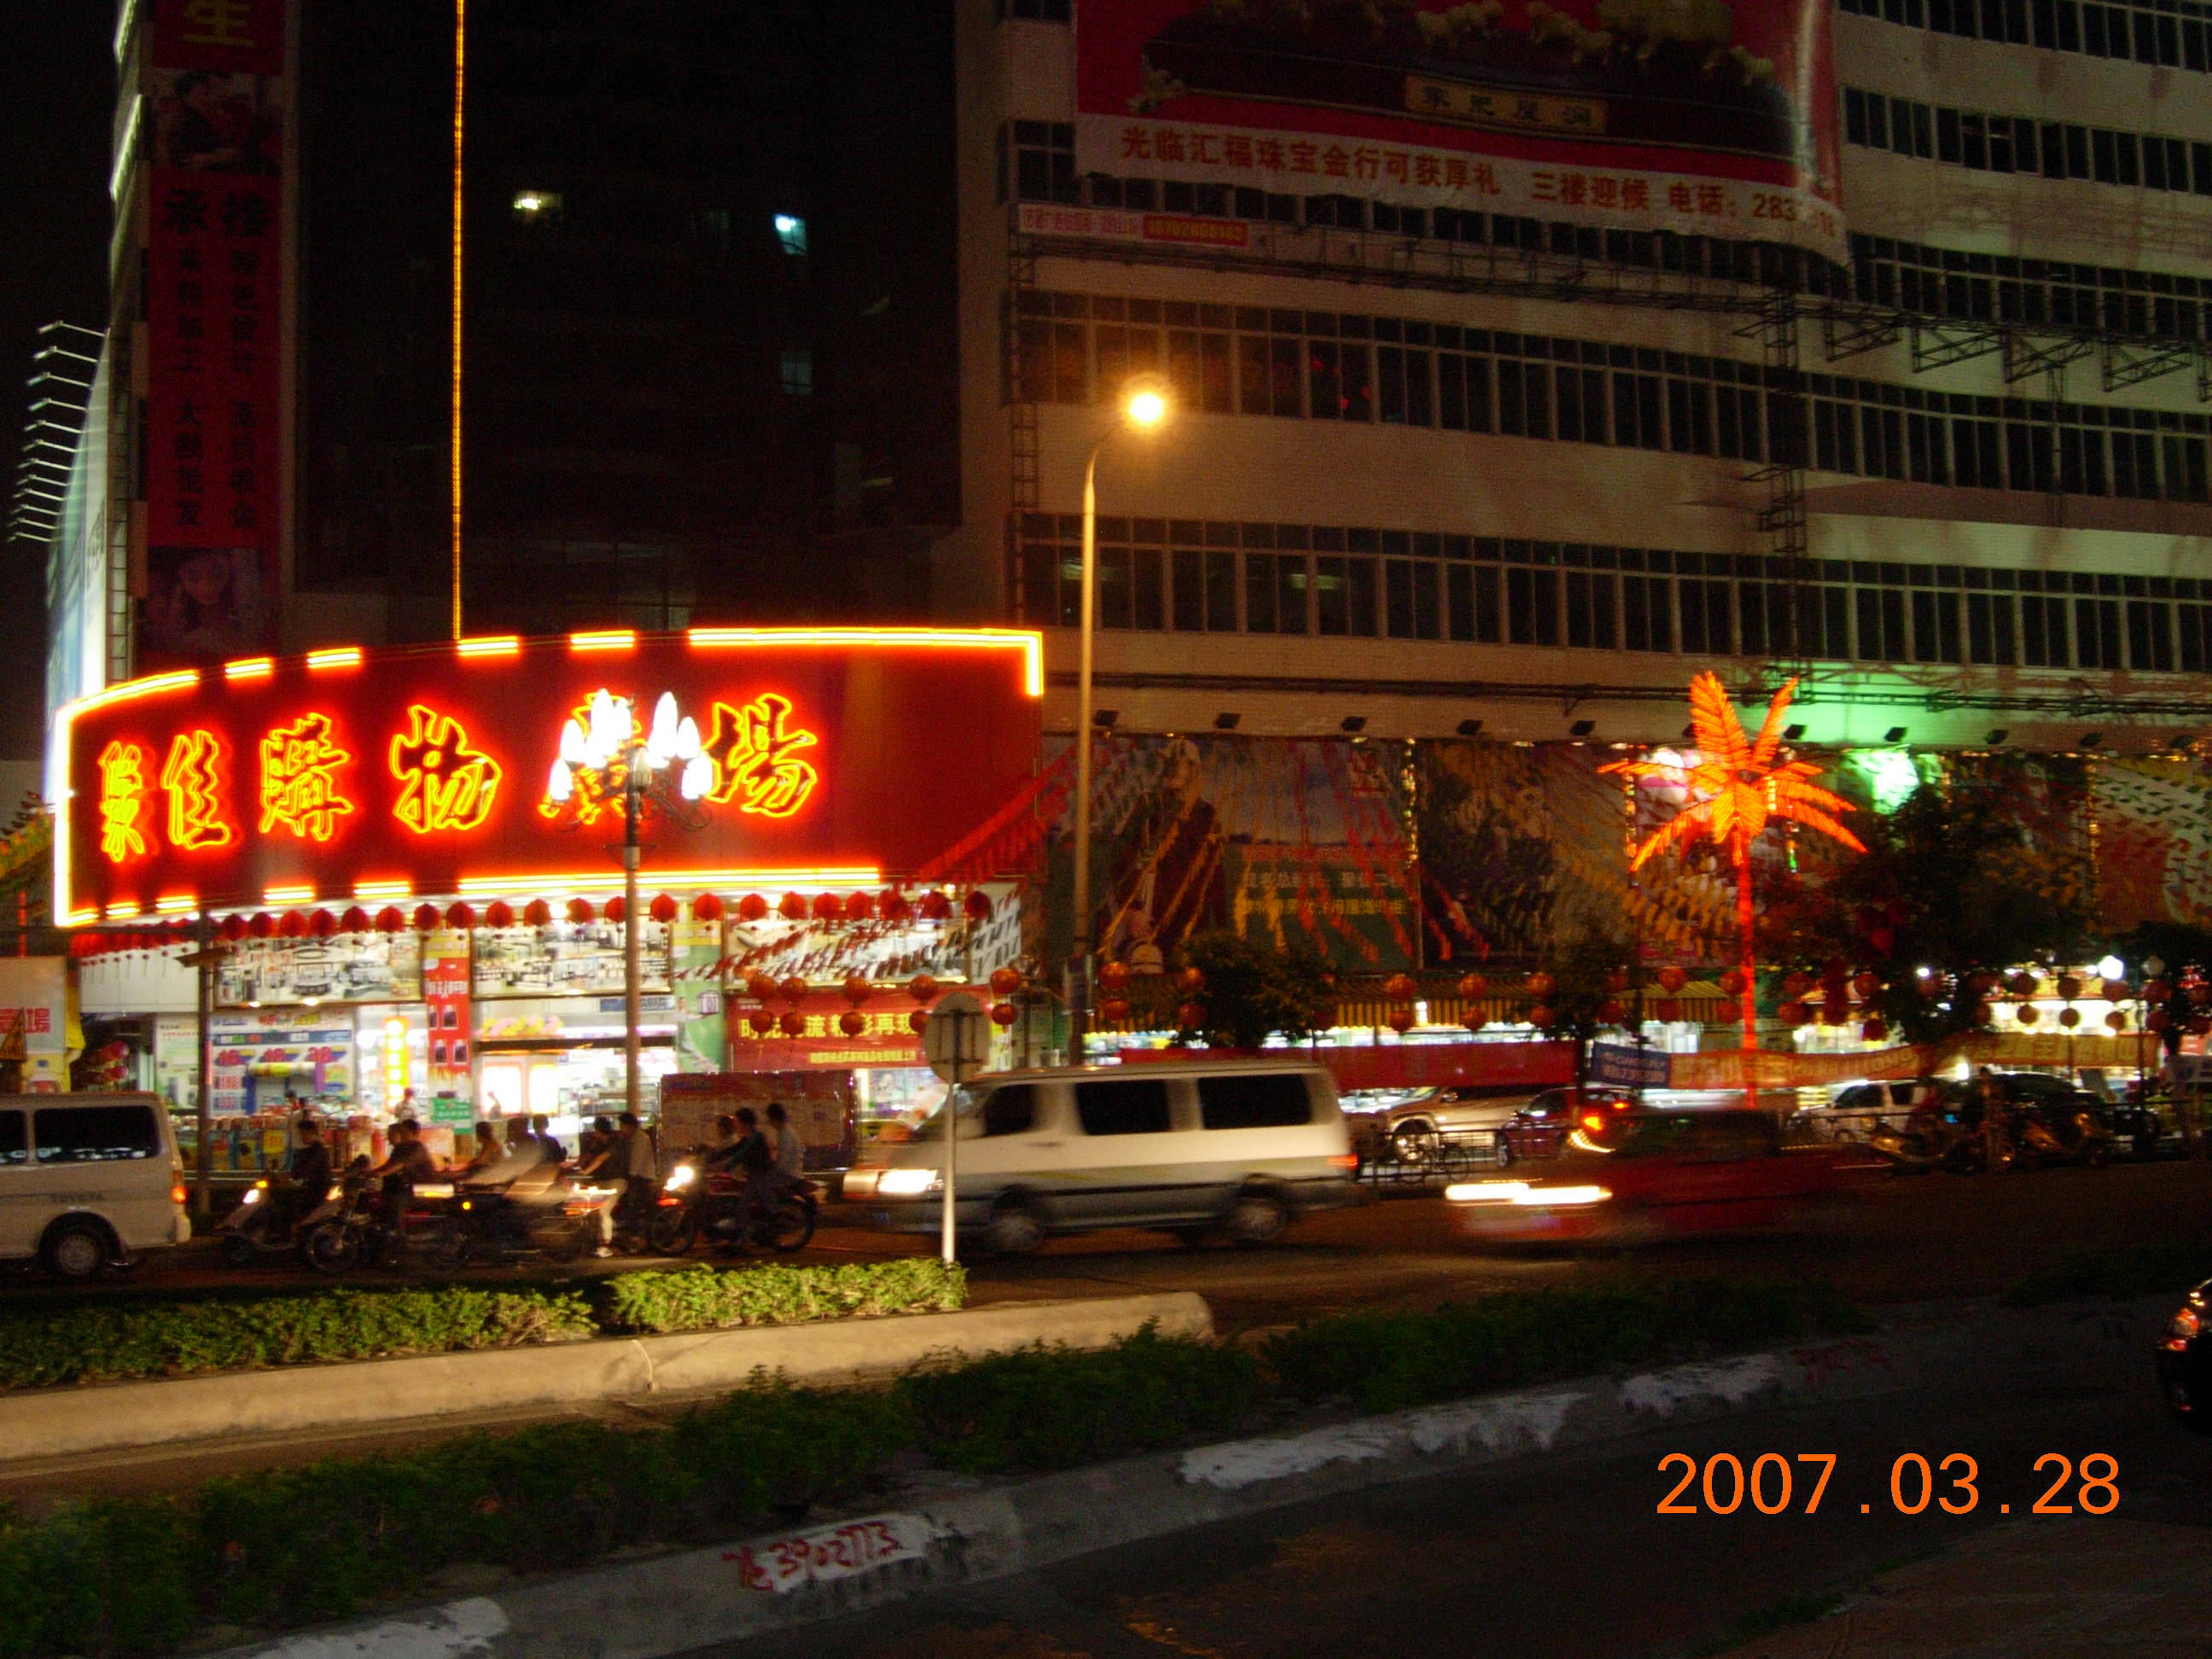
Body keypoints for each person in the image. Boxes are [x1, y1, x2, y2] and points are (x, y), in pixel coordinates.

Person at [368, 1119, 436, 1244]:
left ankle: (401, 1237)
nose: (389, 1138)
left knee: (398, 1201)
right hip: (408, 1187)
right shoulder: (399, 1149)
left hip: (422, 1188)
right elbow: (387, 1166)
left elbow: (398, 1165)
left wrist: (380, 1173)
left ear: (404, 1133)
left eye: (391, 1134)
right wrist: (369, 1173)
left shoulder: (415, 1148)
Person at [765, 1102, 805, 1182]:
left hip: (789, 1177)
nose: (769, 1123)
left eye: (769, 1119)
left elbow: (782, 1161)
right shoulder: (786, 1132)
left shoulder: (785, 1135)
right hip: (791, 1175)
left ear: (774, 1119)